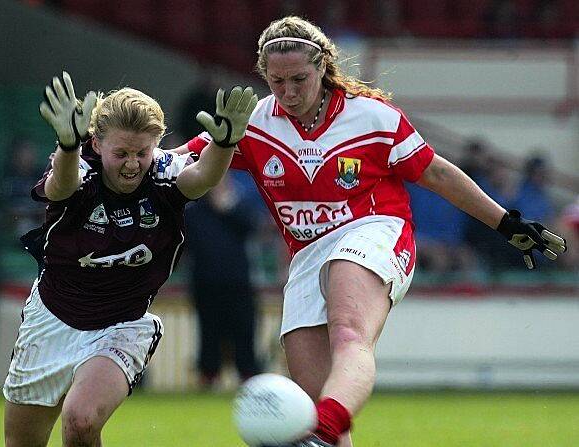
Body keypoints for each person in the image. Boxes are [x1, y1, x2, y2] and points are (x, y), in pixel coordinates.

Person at [176, 16, 568, 447]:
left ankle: (322, 429)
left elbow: (435, 173)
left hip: (375, 230)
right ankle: (325, 429)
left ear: (323, 67)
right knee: (314, 401)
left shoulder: (371, 116)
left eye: (299, 79)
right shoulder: (252, 122)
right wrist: (101, 159)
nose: (288, 92)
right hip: (308, 255)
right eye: (277, 81)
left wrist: (505, 222)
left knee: (348, 333)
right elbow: (177, 162)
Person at [2, 71, 257, 447]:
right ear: (97, 142)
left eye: (142, 152)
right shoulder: (77, 164)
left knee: (81, 420)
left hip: (123, 324)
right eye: (121, 153)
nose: (132, 164)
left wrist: (224, 143)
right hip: (52, 318)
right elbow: (62, 186)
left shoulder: (165, 171)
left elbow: (201, 177)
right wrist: (68, 147)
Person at [185, 173, 262, 388]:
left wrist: (228, 207)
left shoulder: (239, 206)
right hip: (205, 282)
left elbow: (251, 226)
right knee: (209, 332)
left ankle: (249, 377)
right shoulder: (194, 211)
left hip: (238, 282)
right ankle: (209, 377)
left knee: (244, 331)